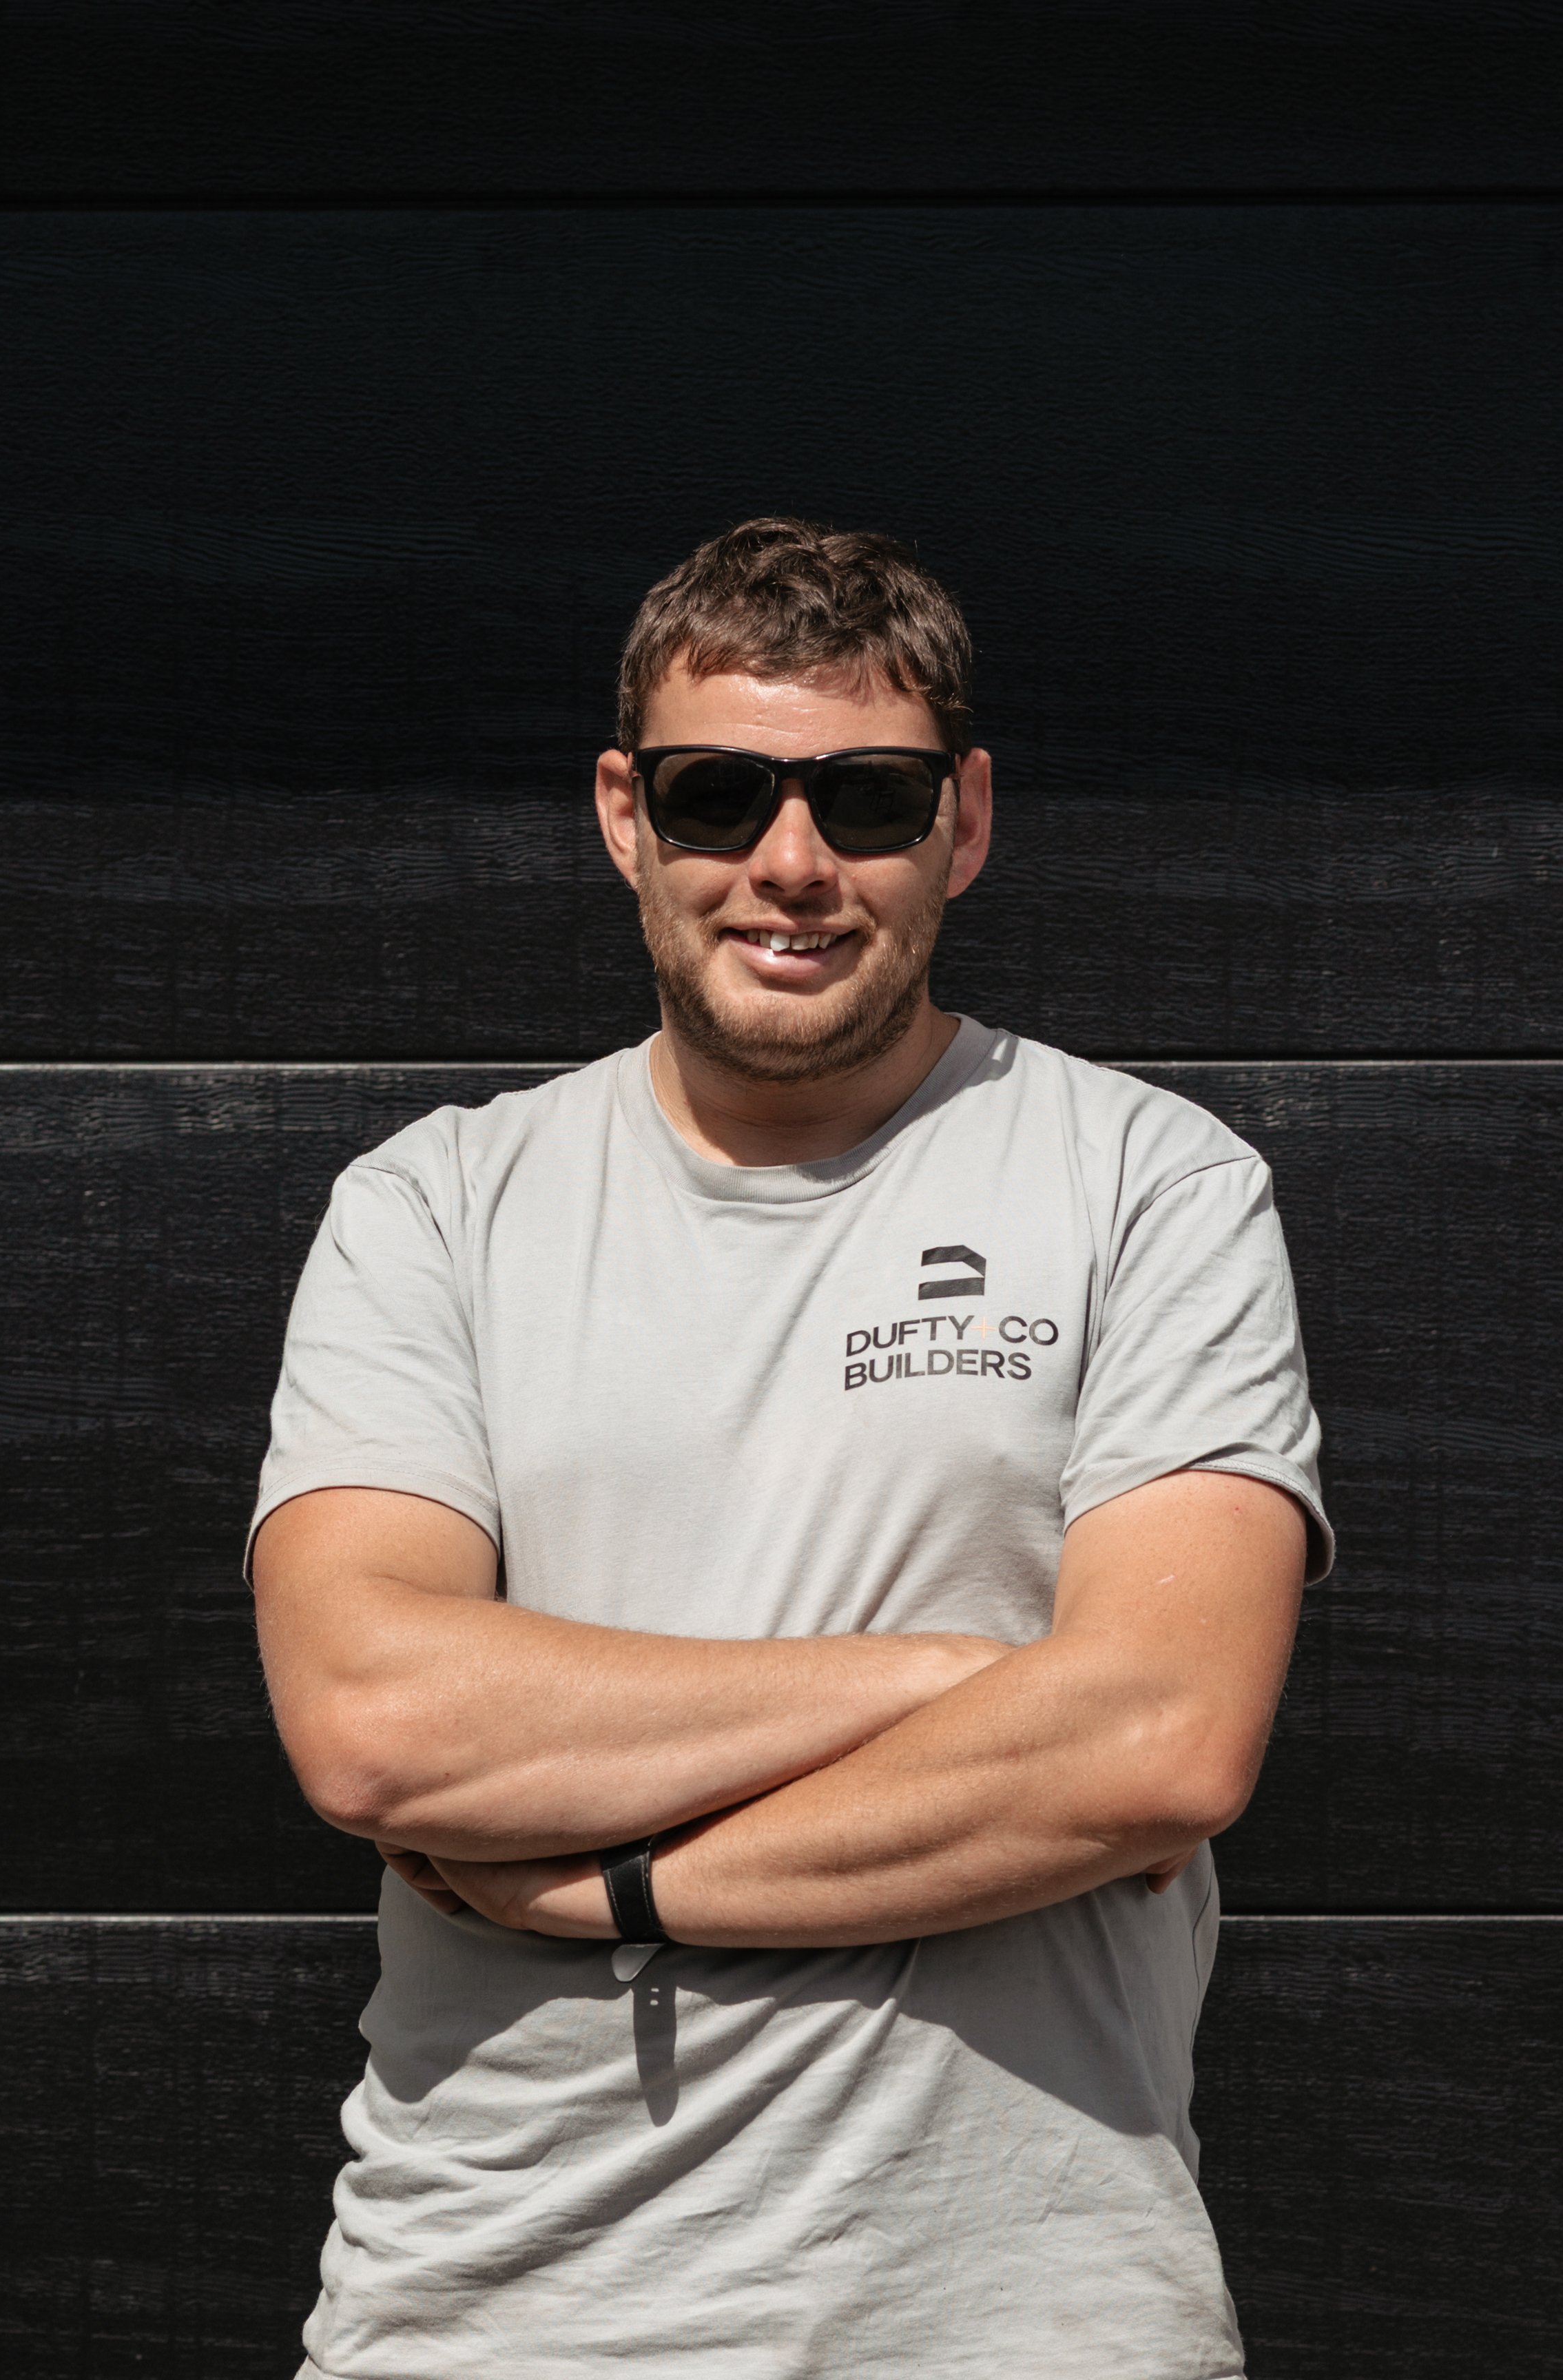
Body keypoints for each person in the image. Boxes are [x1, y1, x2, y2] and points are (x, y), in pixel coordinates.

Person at [251, 517, 1330, 2379]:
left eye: (869, 800)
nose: (792, 864)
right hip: (499, 2313)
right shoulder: (435, 1205)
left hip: (1024, 2320)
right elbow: (375, 1718)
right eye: (719, 793)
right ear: (623, 814)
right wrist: (965, 1680)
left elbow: (1160, 1740)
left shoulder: (1150, 1181)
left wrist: (624, 1887)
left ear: (965, 822)